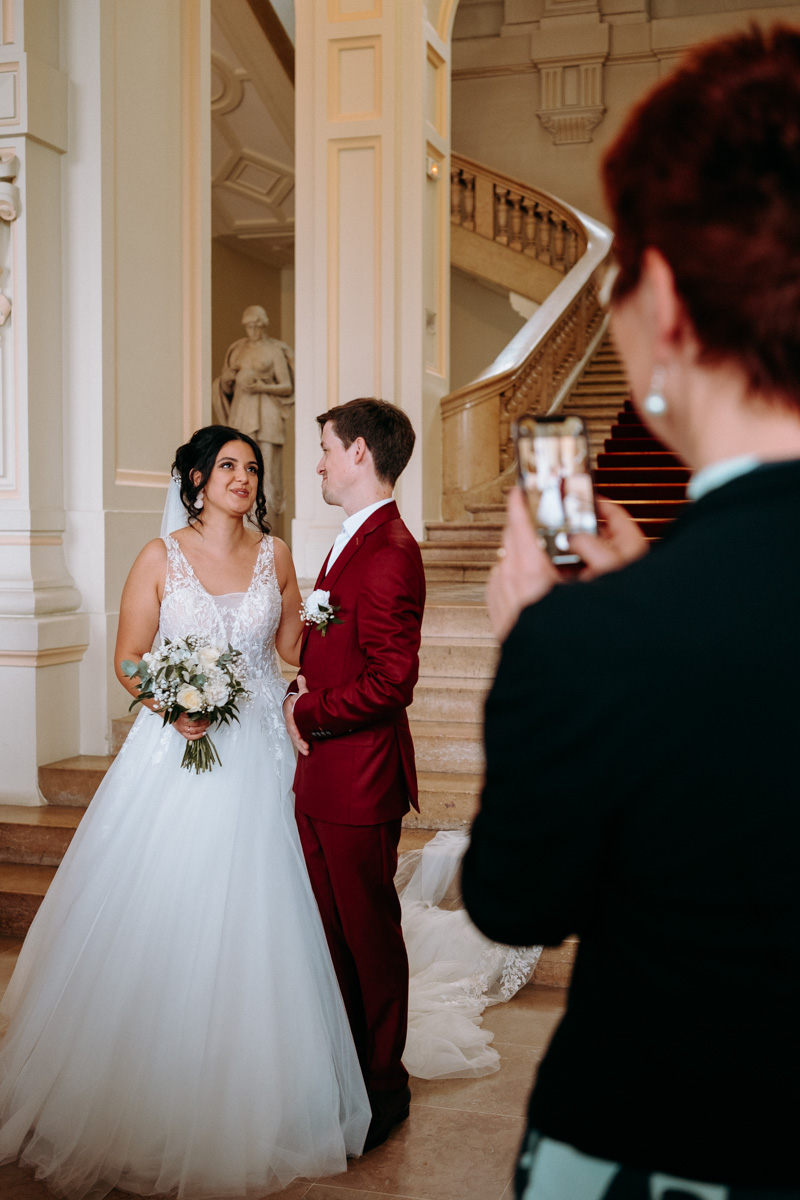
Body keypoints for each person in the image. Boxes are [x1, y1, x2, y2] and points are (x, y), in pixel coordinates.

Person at [461, 25, 800, 1200]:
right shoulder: (631, 619)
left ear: (659, 298)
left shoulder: (592, 641)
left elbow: (516, 899)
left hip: (662, 1145)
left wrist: (540, 651)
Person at [0, 425, 370, 1198]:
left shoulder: (276, 556)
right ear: (197, 480)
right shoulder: (158, 558)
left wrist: (333, 620)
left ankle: (270, 1088)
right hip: (182, 751)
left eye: (252, 468)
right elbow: (129, 656)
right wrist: (172, 704)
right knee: (178, 907)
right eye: (228, 466)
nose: (243, 477)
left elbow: (297, 645)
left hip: (266, 747)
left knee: (274, 917)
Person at [282, 398, 426, 1152]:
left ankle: (383, 1089)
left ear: (361, 453)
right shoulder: (351, 542)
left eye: (327, 449)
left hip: (360, 780)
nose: (320, 463)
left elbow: (391, 681)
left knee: (368, 937)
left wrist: (311, 714)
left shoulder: (391, 550)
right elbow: (331, 651)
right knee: (329, 935)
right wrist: (296, 694)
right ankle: (344, 1074)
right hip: (323, 777)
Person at [212, 306, 295, 514]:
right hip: (241, 412)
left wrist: (262, 387)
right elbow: (225, 387)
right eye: (249, 326)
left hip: (267, 414)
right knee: (238, 469)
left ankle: (267, 528)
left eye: (256, 326)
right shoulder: (237, 349)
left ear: (263, 325)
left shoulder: (274, 351)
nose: (253, 330)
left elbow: (287, 386)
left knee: (267, 473)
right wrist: (227, 380)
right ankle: (243, 525)